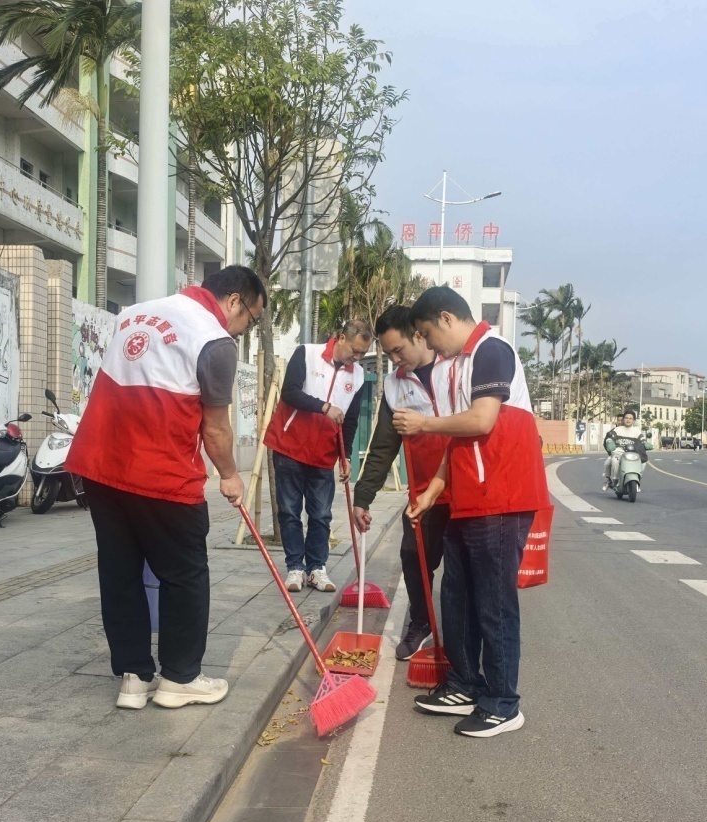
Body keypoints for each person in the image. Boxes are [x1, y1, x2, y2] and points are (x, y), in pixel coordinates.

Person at [66, 266, 266, 711]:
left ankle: (134, 678)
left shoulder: (134, 314)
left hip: (101, 462)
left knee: (120, 572)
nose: (244, 329)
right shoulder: (214, 339)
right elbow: (215, 429)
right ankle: (180, 677)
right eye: (250, 320)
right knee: (184, 573)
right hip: (160, 470)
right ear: (234, 301)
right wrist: (231, 477)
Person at [395, 287, 550, 738]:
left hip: (501, 497)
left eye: (427, 333)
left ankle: (503, 702)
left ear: (446, 318)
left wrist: (423, 423)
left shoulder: (491, 351)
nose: (429, 345)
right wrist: (432, 490)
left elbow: (482, 421)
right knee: (457, 596)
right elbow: (458, 440)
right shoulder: (457, 366)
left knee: (493, 602)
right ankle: (464, 683)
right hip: (468, 498)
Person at [351, 306, 450, 661]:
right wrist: (363, 496)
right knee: (413, 555)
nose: (395, 360)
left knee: (460, 568)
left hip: (466, 491)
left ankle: (456, 636)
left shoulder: (452, 369)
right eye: (388, 353)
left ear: (420, 335)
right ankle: (421, 622)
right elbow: (383, 447)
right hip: (423, 494)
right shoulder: (394, 385)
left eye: (398, 350)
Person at [264, 322, 373, 593]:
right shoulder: (306, 353)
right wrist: (323, 407)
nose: (357, 358)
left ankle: (316, 568)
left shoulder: (357, 376)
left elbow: (350, 421)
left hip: (324, 453)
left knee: (321, 514)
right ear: (340, 338)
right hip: (290, 445)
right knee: (289, 512)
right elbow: (289, 392)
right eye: (355, 351)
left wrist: (344, 457)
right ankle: (295, 568)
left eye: (362, 353)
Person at [603, 408, 645, 490]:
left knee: (643, 462)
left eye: (630, 418)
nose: (628, 420)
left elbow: (642, 439)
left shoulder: (636, 430)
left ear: (633, 420)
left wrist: (646, 444)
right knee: (610, 461)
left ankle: (637, 481)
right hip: (618, 453)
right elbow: (609, 439)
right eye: (626, 418)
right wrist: (610, 445)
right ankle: (613, 480)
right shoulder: (616, 430)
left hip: (632, 453)